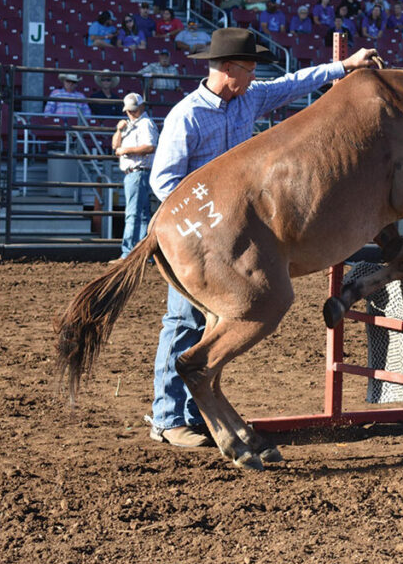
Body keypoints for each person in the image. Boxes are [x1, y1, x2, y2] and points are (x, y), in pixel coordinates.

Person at [145, 26, 379, 447]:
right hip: (198, 235)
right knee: (183, 320)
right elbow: (164, 185)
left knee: (210, 323)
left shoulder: (245, 98)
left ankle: (188, 414)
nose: (255, 77)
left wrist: (342, 66)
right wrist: (208, 224)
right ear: (229, 69)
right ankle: (167, 419)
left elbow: (291, 85)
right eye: (250, 69)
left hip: (232, 236)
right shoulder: (188, 115)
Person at [113, 93, 159, 261]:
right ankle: (144, 253)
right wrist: (119, 130)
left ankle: (128, 254)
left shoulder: (145, 124)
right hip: (137, 173)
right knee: (142, 214)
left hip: (137, 171)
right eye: (129, 111)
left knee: (133, 214)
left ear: (141, 108)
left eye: (133, 110)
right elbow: (114, 145)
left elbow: (149, 147)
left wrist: (125, 150)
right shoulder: (132, 124)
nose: (130, 113)